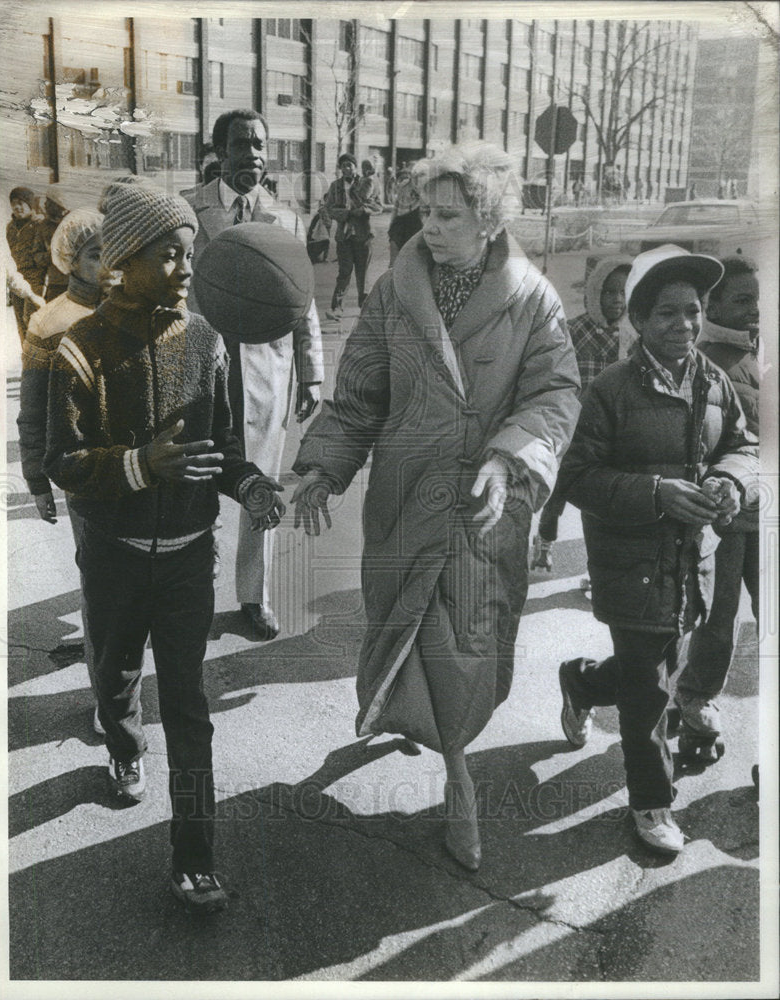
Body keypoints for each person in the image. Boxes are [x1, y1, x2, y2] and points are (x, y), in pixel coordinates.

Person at [291, 142, 581, 872]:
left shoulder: (533, 298)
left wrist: (507, 456)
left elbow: (556, 395)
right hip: (404, 496)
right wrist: (322, 470)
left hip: (484, 512)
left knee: (464, 649)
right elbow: (359, 391)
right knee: (401, 628)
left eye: (449, 215)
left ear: (489, 220)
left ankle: (457, 782)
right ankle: (414, 726)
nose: (431, 227)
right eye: (425, 210)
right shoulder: (394, 292)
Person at [44, 181, 285, 912]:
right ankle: (122, 745)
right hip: (113, 556)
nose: (185, 268)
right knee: (115, 674)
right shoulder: (78, 349)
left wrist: (250, 489)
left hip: (187, 560)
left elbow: (228, 452)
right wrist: (140, 464)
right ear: (122, 262)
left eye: (189, 253)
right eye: (168, 255)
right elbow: (64, 461)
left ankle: (194, 854)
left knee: (188, 704)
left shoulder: (209, 343)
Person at [555, 244, 758, 856]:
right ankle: (651, 803)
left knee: (656, 673)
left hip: (689, 563)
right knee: (649, 699)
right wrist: (654, 494)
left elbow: (743, 446)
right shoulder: (612, 391)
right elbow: (576, 476)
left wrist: (730, 480)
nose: (685, 325)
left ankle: (584, 683)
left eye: (693, 312)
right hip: (630, 568)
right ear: (638, 321)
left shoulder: (714, 381)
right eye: (667, 313)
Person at [182, 108, 324, 641]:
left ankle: (253, 596)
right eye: (243, 144)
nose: (255, 155)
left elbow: (302, 298)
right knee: (200, 480)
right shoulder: (191, 210)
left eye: (261, 145)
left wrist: (310, 371)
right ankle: (193, 588)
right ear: (220, 151)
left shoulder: (284, 219)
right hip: (201, 367)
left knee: (260, 486)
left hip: (268, 368)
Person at [17, 208, 115, 733]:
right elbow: (32, 413)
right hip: (83, 475)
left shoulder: (130, 307)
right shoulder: (49, 322)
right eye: (98, 253)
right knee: (100, 587)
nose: (110, 262)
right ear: (72, 261)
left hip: (133, 468)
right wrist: (37, 480)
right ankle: (109, 700)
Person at [675, 256, 760, 741]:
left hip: (766, 513)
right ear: (713, 305)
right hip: (724, 517)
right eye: (742, 300)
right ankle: (695, 701)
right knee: (717, 617)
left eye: (759, 300)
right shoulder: (703, 363)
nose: (754, 310)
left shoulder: (762, 353)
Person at [531, 256, 632, 573]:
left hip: (610, 432)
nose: (616, 300)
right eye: (609, 292)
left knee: (603, 500)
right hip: (573, 427)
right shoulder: (573, 330)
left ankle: (596, 565)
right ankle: (545, 540)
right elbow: (554, 374)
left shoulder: (630, 338)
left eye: (623, 293)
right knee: (557, 492)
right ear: (594, 294)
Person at [324, 152, 383, 319]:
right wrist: (346, 213)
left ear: (355, 167)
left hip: (364, 234)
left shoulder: (368, 181)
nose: (346, 168)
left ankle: (364, 308)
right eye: (343, 166)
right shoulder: (335, 186)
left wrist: (364, 210)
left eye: (349, 165)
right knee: (344, 272)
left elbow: (378, 206)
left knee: (363, 273)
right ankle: (337, 308)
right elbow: (329, 208)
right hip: (344, 236)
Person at [26, 187, 70, 320]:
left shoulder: (75, 222)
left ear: (59, 203)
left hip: (76, 285)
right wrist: (51, 256)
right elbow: (37, 256)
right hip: (55, 286)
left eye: (49, 202)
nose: (45, 205)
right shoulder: (43, 226)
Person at [6, 186, 38, 343]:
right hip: (17, 280)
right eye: (13, 203)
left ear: (30, 204)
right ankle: (27, 360)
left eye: (21, 202)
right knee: (21, 323)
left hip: (35, 280)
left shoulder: (39, 225)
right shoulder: (10, 228)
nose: (17, 207)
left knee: (33, 321)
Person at [387, 163, 423, 266]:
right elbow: (396, 206)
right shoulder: (403, 186)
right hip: (400, 223)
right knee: (394, 258)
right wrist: (391, 225)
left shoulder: (426, 189)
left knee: (413, 260)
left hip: (417, 225)